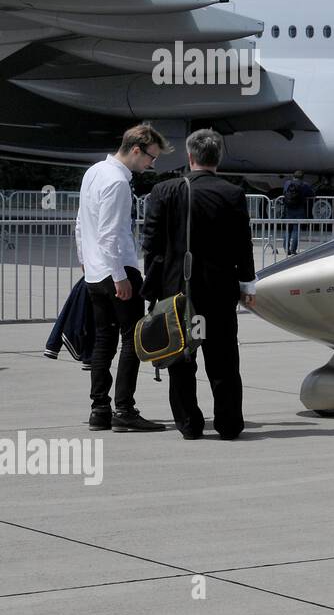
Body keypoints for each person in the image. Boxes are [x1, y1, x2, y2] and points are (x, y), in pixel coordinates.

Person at [142, 130, 256, 440]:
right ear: (218, 158)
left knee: (181, 356)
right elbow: (242, 244)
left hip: (177, 291)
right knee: (223, 359)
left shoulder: (164, 191)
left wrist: (151, 290)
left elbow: (151, 245)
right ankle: (229, 423)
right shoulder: (233, 194)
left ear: (190, 158)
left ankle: (189, 424)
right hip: (219, 291)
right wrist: (248, 285)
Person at [75, 124, 170, 432]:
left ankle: (99, 409)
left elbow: (80, 225)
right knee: (131, 339)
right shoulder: (117, 182)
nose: (151, 165)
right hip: (117, 269)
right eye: (151, 158)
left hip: (96, 270)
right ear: (136, 150)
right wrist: (119, 276)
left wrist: (86, 263)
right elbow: (110, 234)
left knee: (104, 340)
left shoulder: (94, 172)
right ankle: (124, 409)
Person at [281, 170, 313, 255]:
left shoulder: (287, 183)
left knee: (288, 229)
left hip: (288, 209)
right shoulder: (304, 185)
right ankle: (293, 250)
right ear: (302, 177)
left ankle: (285, 248)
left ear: (293, 176)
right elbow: (312, 194)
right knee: (296, 230)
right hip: (300, 209)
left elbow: (284, 192)